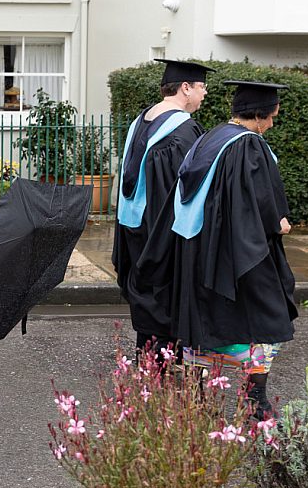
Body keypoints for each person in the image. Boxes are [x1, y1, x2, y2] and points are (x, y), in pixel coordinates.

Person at [142, 80, 297, 418]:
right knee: (265, 314)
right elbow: (254, 201)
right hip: (230, 253)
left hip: (196, 249)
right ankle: (257, 400)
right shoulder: (248, 145)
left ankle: (197, 398)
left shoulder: (212, 137)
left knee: (205, 323)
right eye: (271, 116)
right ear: (258, 114)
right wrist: (277, 223)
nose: (271, 124)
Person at [111, 59, 211, 355]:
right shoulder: (181, 131)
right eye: (202, 87)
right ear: (185, 88)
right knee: (165, 289)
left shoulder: (141, 120)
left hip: (134, 223)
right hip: (161, 227)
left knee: (146, 288)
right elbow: (181, 191)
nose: (205, 93)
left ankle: (148, 353)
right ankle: (161, 358)